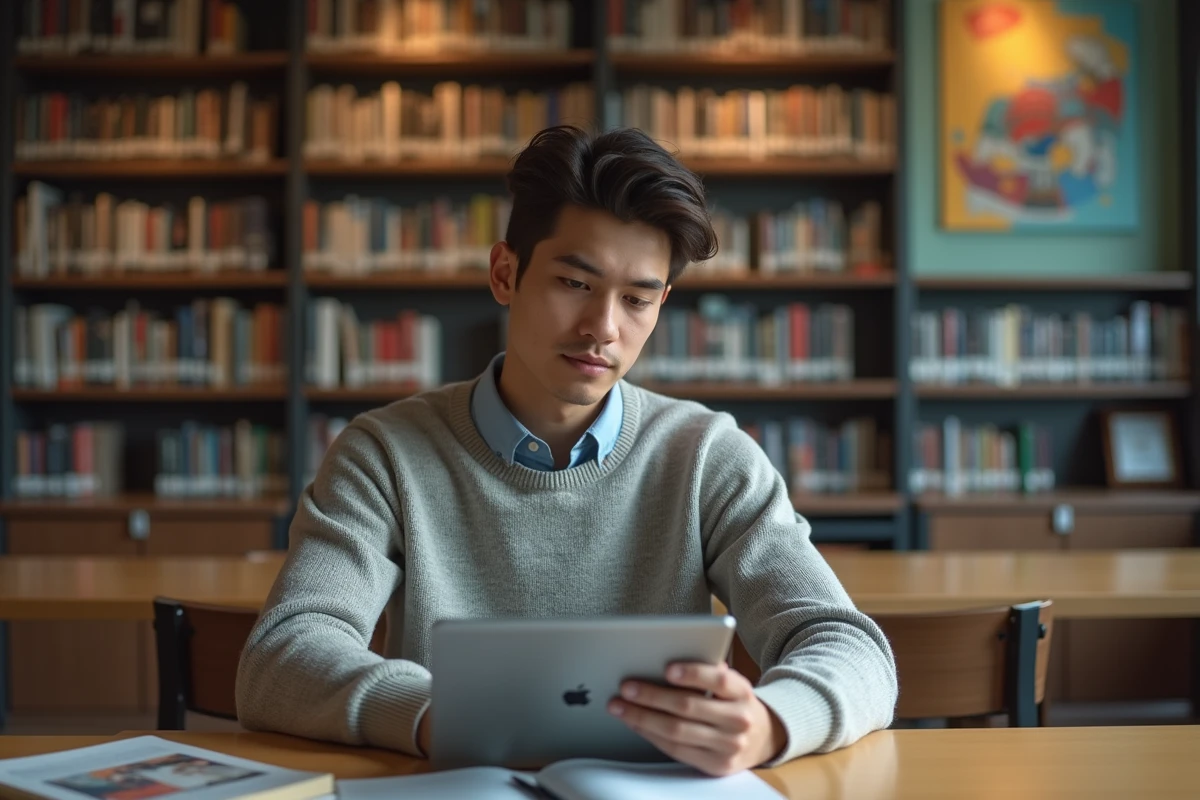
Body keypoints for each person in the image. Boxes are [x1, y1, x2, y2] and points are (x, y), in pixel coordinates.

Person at [236, 125, 898, 776]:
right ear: (505, 274)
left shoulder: (707, 457)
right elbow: (284, 655)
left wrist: (770, 724)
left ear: (662, 304)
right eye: (575, 284)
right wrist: (439, 715)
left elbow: (850, 647)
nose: (603, 329)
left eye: (637, 299)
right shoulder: (384, 454)